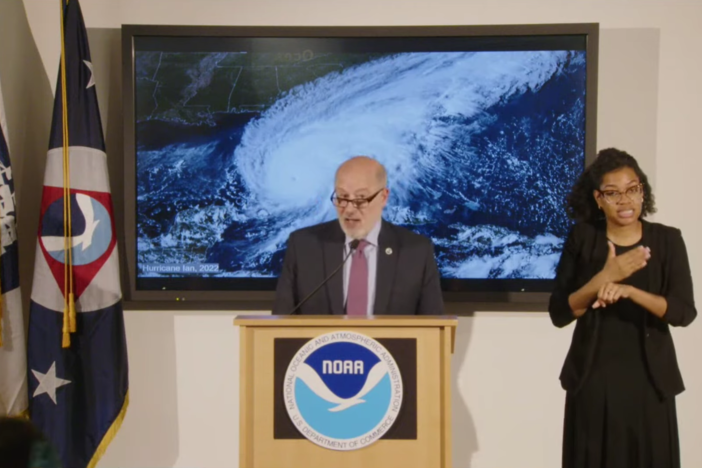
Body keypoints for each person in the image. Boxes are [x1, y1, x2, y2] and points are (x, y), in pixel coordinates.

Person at [548, 148, 696, 468]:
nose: (625, 200)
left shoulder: (668, 240)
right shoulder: (583, 238)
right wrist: (605, 277)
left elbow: (684, 312)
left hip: (650, 383)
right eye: (613, 193)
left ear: (643, 191)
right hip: (592, 382)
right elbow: (559, 312)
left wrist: (629, 290)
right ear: (598, 199)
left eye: (632, 189)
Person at [272, 156, 444, 315]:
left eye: (360, 199)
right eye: (342, 197)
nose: (349, 209)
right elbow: (280, 324)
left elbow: (434, 329)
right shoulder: (304, 246)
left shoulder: (416, 251)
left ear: (383, 197)